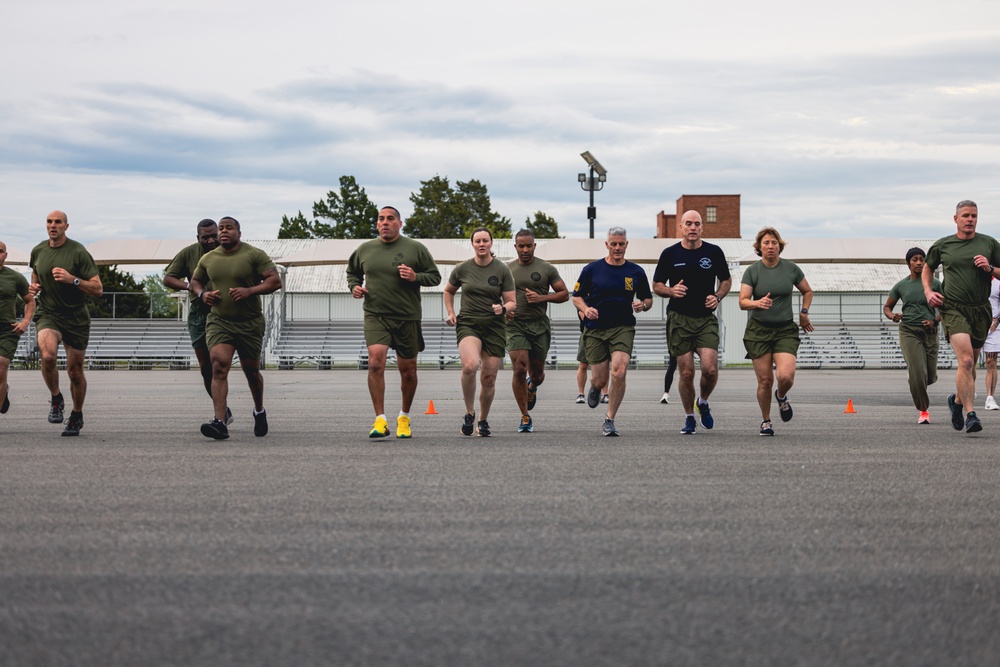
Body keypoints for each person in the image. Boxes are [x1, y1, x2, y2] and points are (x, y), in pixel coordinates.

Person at [346, 206, 441, 439]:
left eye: (390, 219)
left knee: (408, 371)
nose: (385, 222)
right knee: (375, 363)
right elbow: (352, 273)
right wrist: (354, 287)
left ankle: (404, 417)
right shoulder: (365, 249)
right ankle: (380, 420)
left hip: (407, 316)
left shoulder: (415, 248)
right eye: (381, 219)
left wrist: (415, 276)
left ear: (400, 223)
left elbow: (435, 276)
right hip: (376, 315)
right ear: (377, 224)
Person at [189, 217, 282, 440]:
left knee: (251, 372)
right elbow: (194, 282)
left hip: (249, 323)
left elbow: (275, 281)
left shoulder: (253, 254)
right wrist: (202, 294)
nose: (223, 232)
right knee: (219, 365)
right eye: (221, 228)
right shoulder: (208, 258)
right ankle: (220, 422)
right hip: (220, 321)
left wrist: (250, 291)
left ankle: (259, 410)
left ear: (239, 233)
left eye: (229, 228)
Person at [653, 210, 732, 434]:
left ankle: (703, 402)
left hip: (705, 319)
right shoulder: (670, 254)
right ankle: (689, 417)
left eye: (697, 224)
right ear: (681, 227)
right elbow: (656, 285)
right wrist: (670, 290)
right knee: (686, 373)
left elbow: (726, 280)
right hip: (679, 319)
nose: (693, 227)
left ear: (702, 228)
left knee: (710, 370)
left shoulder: (714, 252)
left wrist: (717, 296)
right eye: (688, 223)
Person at [924, 200, 1000, 434]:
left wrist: (990, 269)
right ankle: (971, 414)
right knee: (966, 361)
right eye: (966, 215)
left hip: (980, 309)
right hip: (953, 307)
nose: (970, 219)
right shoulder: (943, 245)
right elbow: (927, 268)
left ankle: (956, 402)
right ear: (955, 219)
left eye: (974, 215)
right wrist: (928, 291)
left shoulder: (989, 243)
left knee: (972, 363)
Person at [572, 226, 653, 437]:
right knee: (600, 379)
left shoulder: (636, 272)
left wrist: (642, 305)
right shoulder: (592, 269)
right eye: (613, 244)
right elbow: (576, 296)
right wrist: (585, 308)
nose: (617, 248)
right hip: (596, 330)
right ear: (607, 244)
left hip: (623, 327)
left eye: (621, 244)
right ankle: (596, 387)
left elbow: (648, 299)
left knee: (619, 371)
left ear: (627, 245)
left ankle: (609, 419)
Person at [28, 210, 103, 436]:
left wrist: (73, 279)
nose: (53, 225)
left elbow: (98, 289)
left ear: (66, 227)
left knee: (75, 371)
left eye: (58, 222)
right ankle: (56, 398)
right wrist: (34, 287)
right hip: (49, 313)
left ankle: (77, 415)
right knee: (48, 356)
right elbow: (35, 276)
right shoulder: (38, 251)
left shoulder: (78, 252)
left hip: (75, 317)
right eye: (49, 222)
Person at [739, 227, 814, 436]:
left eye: (773, 243)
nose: (770, 246)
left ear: (779, 247)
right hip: (758, 332)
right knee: (764, 381)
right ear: (759, 248)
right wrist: (757, 302)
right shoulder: (752, 271)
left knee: (786, 376)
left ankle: (781, 396)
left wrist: (804, 312)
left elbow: (807, 291)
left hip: (784, 330)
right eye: (766, 243)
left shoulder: (790, 269)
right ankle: (766, 421)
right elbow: (742, 302)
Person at [444, 227, 515, 437]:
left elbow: (512, 302)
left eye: (485, 240)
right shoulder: (462, 269)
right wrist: (450, 312)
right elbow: (448, 290)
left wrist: (502, 308)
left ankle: (483, 420)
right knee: (470, 365)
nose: (481, 244)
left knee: (489, 378)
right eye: (477, 241)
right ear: (472, 244)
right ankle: (469, 412)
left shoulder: (502, 270)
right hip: (469, 323)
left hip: (494, 327)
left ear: (491, 243)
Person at [163, 218, 233, 425]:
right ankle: (222, 411)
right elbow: (168, 278)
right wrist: (191, 287)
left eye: (214, 235)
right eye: (206, 237)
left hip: (227, 311)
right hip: (200, 312)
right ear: (198, 238)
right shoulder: (189, 253)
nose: (211, 240)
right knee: (206, 368)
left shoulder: (232, 251)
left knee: (223, 364)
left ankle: (257, 410)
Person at [506, 229, 569, 432]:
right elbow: (494, 293)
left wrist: (541, 298)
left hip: (539, 325)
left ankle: (532, 387)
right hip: (514, 325)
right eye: (521, 246)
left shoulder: (546, 268)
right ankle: (525, 416)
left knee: (538, 375)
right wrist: (503, 309)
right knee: (519, 368)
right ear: (515, 247)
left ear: (534, 245)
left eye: (529, 245)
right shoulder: (506, 270)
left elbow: (564, 294)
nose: (525, 249)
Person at [883, 247, 941, 424]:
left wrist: (935, 320)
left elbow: (947, 308)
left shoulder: (935, 283)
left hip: (930, 332)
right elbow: (887, 307)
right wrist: (893, 316)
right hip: (909, 330)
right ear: (908, 263)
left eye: (921, 259)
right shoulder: (902, 285)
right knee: (917, 372)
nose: (918, 262)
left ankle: (917, 380)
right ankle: (923, 410)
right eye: (914, 259)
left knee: (929, 376)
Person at [0, 240, 35, 416]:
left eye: (0, 251)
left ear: (5, 255)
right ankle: (3, 389)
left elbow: (30, 301)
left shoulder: (15, 277)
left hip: (7, 329)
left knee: (0, 366)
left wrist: (25, 321)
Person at [574, 310, 608, 404]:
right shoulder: (583, 299)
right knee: (583, 365)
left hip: (604, 333)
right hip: (587, 333)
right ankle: (581, 394)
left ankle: (605, 394)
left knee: (604, 366)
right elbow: (584, 317)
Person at [983, 277, 1000, 411]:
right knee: (968, 361)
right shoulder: (973, 279)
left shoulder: (998, 281)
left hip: (993, 326)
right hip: (974, 323)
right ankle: (967, 392)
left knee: (991, 362)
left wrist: (997, 320)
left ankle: (990, 398)